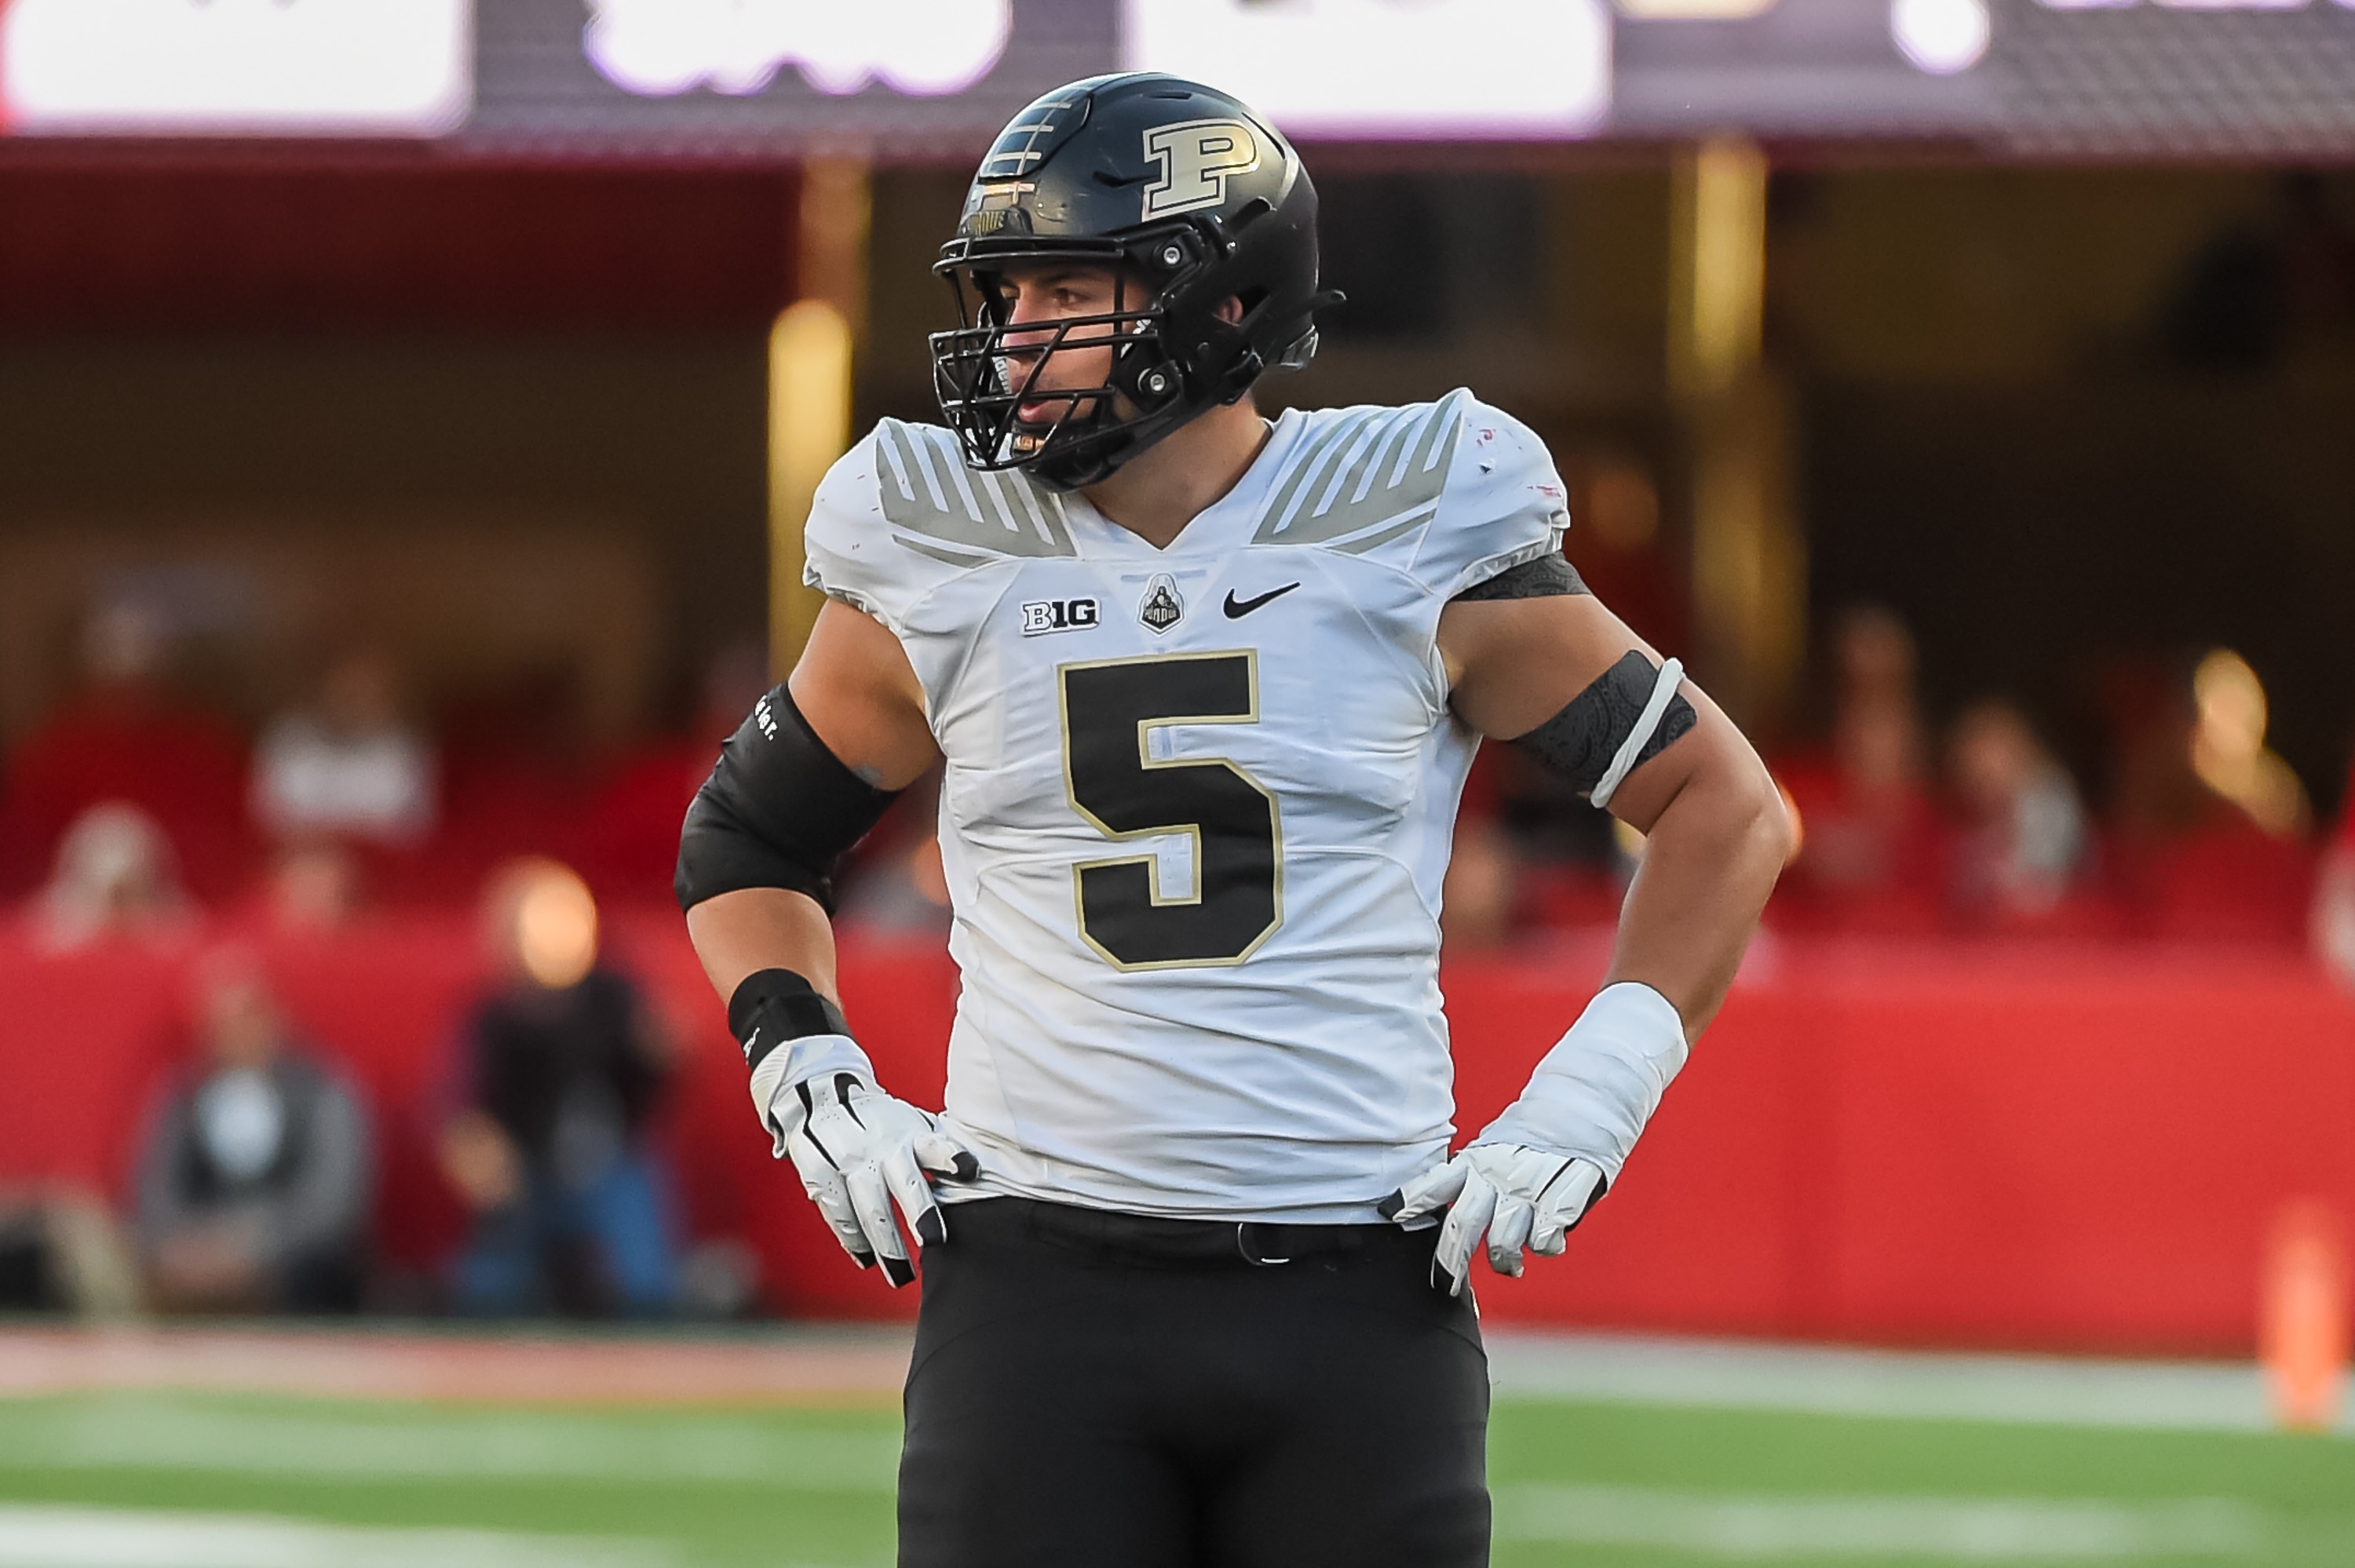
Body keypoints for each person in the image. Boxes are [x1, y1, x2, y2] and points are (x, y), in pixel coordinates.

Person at [677, 75, 1790, 1567]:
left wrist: (1593, 1089)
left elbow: (1720, 803)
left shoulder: (1406, 521)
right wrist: (800, 1056)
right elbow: (748, 843)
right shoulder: (943, 537)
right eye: (1006, 293)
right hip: (1036, 1291)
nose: (1014, 336)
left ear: (1219, 300)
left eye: (1068, 287)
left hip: (1353, 1285)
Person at [443, 859, 677, 1316]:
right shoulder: (492, 1019)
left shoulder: (615, 997)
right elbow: (461, 1111)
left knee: (647, 1283)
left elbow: (655, 1075)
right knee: (489, 1290)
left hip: (613, 1164)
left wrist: (660, 1053)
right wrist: (479, 1151)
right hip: (527, 1169)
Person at [133, 955, 372, 1313]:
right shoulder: (183, 1094)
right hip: (190, 1261)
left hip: (290, 1265)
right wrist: (185, 1247)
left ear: (277, 1018)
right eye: (223, 1023)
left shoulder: (324, 1090)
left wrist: (251, 1248)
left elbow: (332, 1201)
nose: (238, 1033)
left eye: (250, 1017)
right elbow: (154, 1187)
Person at [250, 647, 436, 846]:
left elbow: (415, 827)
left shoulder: (404, 747)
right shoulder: (288, 737)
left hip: (386, 864)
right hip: (299, 860)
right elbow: (265, 815)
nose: (356, 697)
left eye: (367, 687)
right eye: (347, 686)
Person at [1944, 698, 2089, 926]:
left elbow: (2045, 882)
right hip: (1999, 928)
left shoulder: (2046, 796)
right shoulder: (1977, 804)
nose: (1977, 762)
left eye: (1987, 749)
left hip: (2056, 928)